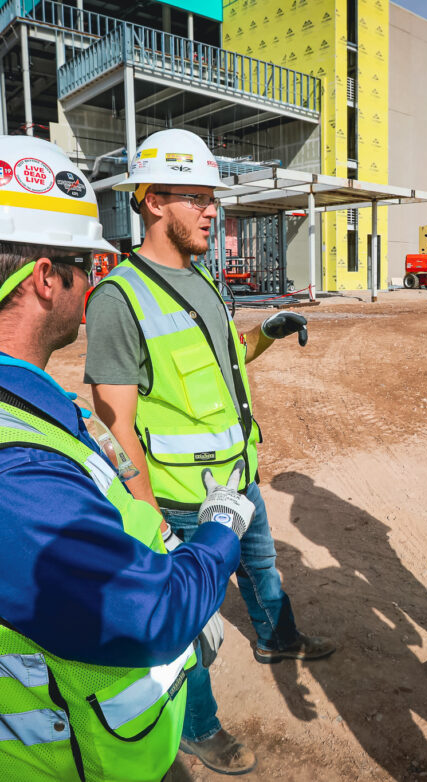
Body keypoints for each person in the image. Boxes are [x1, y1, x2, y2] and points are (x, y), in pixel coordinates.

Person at [0, 136, 256, 781]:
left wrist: (162, 536)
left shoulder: (33, 400)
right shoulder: (18, 471)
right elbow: (152, 613)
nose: (92, 283)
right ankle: (202, 727)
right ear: (44, 278)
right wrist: (220, 526)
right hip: (73, 760)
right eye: (84, 266)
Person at [84, 129, 335, 775]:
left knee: (262, 570)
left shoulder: (200, 280)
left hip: (237, 478)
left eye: (209, 197)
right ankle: (197, 728)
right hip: (179, 500)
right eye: (194, 196)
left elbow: (226, 359)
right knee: (189, 623)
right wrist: (151, 516)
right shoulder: (120, 298)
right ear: (150, 201)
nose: (209, 209)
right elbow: (116, 425)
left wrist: (267, 334)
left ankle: (278, 641)